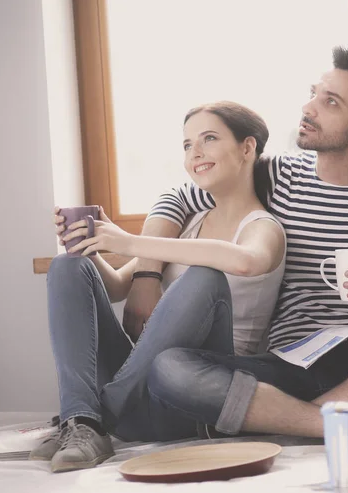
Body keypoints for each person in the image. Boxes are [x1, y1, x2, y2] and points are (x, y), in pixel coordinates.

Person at [136, 46, 348, 445]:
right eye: (314, 93)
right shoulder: (273, 175)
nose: (309, 108)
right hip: (283, 365)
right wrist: (145, 274)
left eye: (330, 102)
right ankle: (342, 424)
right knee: (169, 367)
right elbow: (176, 198)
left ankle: (276, 422)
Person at [33, 101, 286, 472]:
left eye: (209, 138)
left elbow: (245, 261)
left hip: (190, 396)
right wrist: (92, 245)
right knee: (68, 265)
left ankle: (90, 415)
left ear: (247, 148)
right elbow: (120, 286)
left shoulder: (263, 226)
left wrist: (129, 242)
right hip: (140, 397)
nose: (195, 152)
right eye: (187, 145)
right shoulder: (192, 224)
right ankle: (85, 421)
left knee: (204, 276)